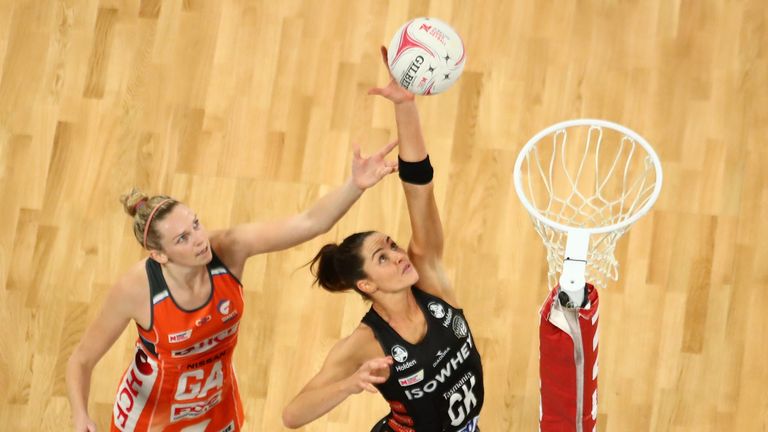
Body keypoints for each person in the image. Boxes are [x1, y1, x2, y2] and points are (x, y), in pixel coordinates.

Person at [65, 141, 398, 432]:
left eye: (196, 224)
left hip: (216, 407)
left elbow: (309, 222)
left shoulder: (228, 248)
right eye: (183, 238)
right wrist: (80, 415)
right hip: (151, 416)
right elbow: (81, 359)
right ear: (159, 254)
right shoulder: (137, 289)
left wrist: (355, 185)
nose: (199, 240)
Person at [282, 47, 484, 432]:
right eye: (382, 257)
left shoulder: (431, 280)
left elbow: (420, 191)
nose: (397, 255)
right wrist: (350, 384)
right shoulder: (366, 342)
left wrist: (405, 105)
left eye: (391, 245)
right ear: (366, 284)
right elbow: (293, 415)